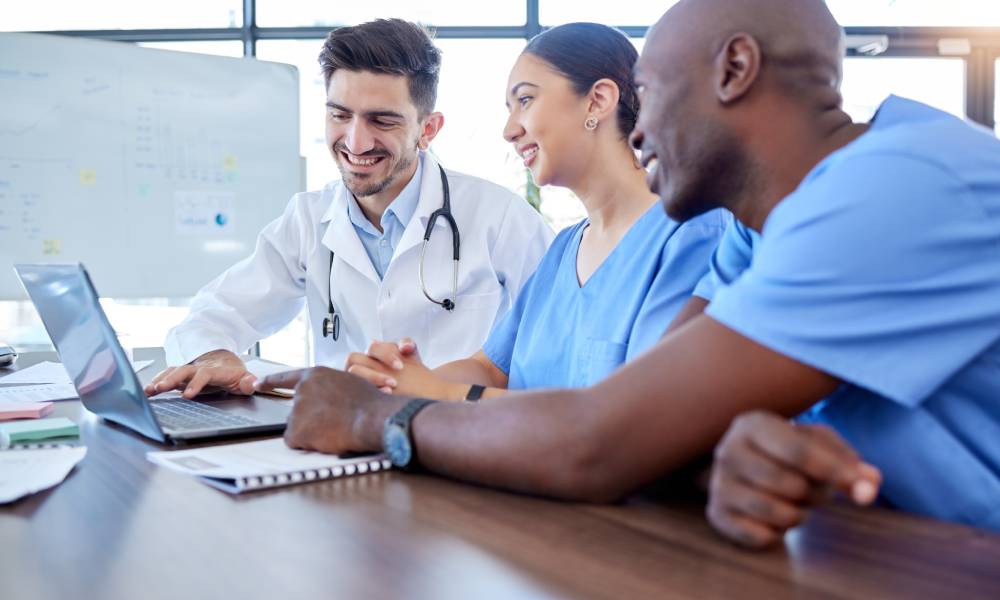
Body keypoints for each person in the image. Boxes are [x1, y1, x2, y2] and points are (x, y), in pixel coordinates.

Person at [257, 0, 1000, 548]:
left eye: (651, 90)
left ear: (734, 69)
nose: (637, 129)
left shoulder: (905, 183)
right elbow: (661, 429)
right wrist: (723, 461)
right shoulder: (756, 231)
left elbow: (602, 438)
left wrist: (370, 416)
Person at [147, 19, 553, 399]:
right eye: (340, 115)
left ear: (427, 129)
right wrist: (213, 354)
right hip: (342, 445)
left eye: (382, 121)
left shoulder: (501, 219)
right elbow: (215, 313)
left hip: (458, 442)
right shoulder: (308, 219)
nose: (356, 142)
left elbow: (556, 352)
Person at [344, 23, 727, 401]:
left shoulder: (691, 234)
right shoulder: (564, 250)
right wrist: (398, 380)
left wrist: (439, 392)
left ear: (597, 100)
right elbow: (491, 369)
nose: (509, 130)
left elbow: (629, 416)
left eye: (525, 100)